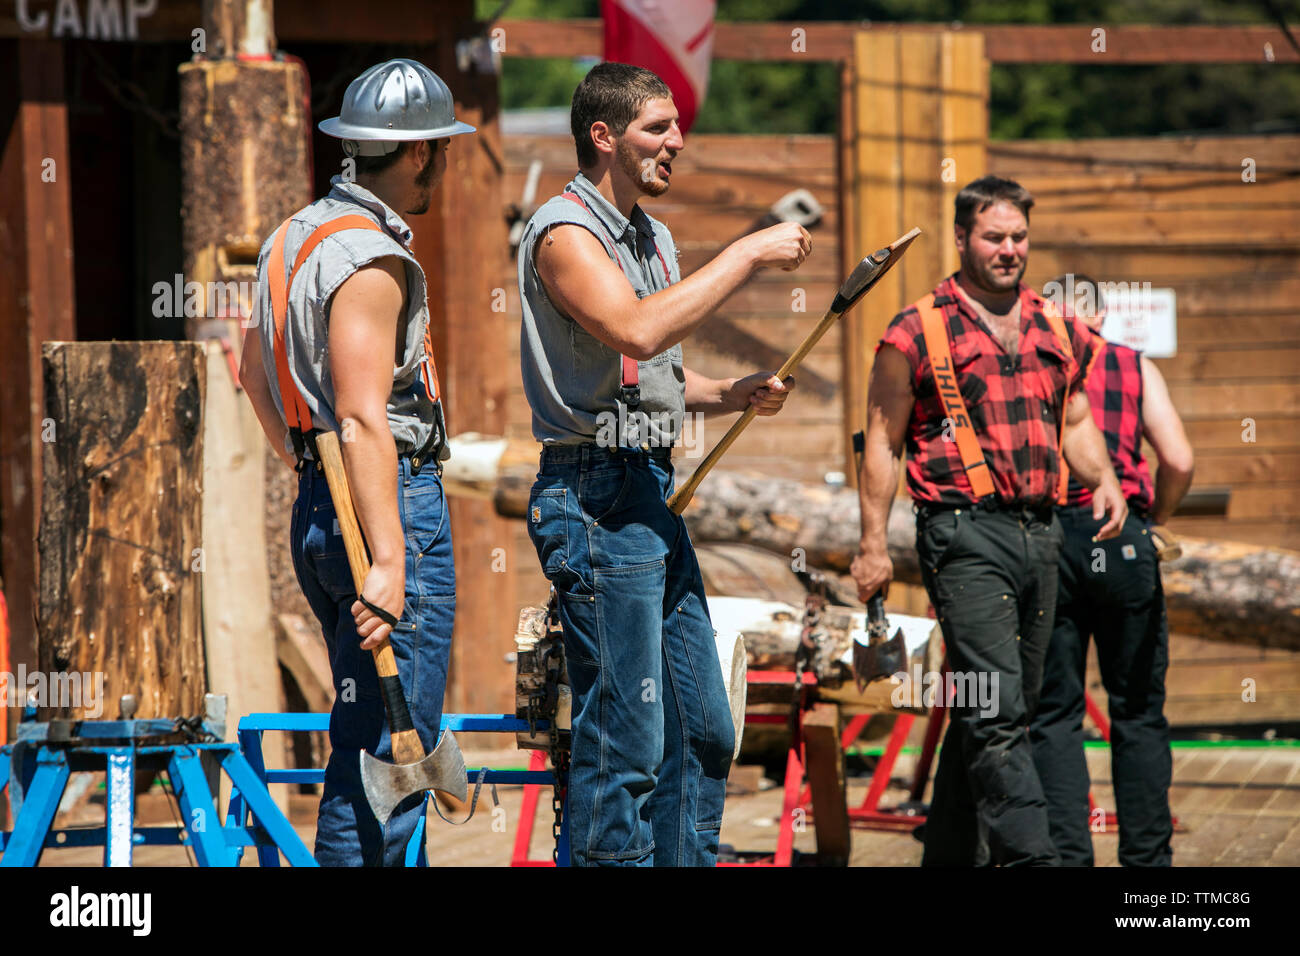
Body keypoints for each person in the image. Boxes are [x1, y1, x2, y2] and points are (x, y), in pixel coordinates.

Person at [517, 62, 808, 866]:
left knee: (706, 730)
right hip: (594, 499)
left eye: (676, 125)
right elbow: (638, 331)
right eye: (656, 127)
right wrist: (748, 252)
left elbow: (650, 378)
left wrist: (729, 393)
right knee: (626, 749)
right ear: (603, 137)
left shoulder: (651, 235)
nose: (676, 140)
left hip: (648, 494)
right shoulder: (565, 235)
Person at [849, 176, 1129, 866]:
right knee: (999, 715)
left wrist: (1107, 478)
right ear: (962, 238)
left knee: (1003, 712)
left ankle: (946, 856)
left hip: (1042, 531)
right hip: (962, 534)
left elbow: (1078, 420)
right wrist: (872, 545)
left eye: (1019, 237)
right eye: (994, 237)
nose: (1009, 250)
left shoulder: (1059, 326)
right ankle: (1036, 861)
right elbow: (882, 441)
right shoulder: (914, 331)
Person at [239, 58, 474, 866]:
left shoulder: (289, 239)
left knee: (364, 732)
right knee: (388, 754)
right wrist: (389, 557)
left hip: (327, 507)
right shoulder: (370, 258)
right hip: (383, 509)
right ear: (417, 153)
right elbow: (362, 416)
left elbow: (250, 374)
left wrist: (307, 470)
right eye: (438, 150)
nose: (439, 165)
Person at [1030, 275, 1193, 867]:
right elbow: (1178, 458)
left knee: (1053, 716)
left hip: (1053, 539)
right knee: (1138, 713)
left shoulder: (1035, 369)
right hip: (1123, 538)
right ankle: (1148, 871)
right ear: (1102, 315)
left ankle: (1068, 858)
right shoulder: (1135, 368)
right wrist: (1154, 519)